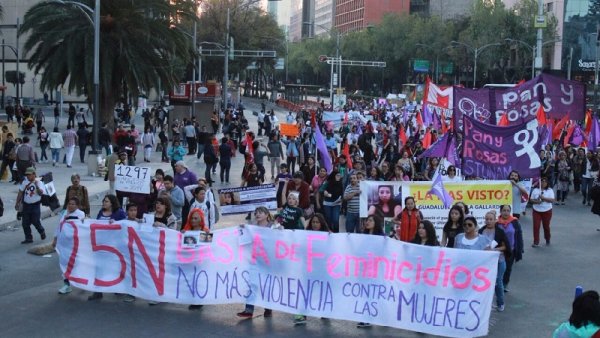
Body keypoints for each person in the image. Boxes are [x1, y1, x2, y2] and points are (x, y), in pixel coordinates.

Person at [236, 206, 274, 318]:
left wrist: (281, 230)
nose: (258, 214)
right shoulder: (251, 226)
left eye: (261, 212)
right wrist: (243, 229)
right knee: (251, 283)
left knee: (265, 284)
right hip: (254, 259)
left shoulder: (273, 226)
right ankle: (249, 309)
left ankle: (268, 307)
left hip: (268, 260)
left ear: (267, 215)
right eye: (256, 212)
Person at [88, 194, 126, 301]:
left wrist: (116, 223)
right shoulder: (101, 212)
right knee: (98, 267)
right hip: (100, 245)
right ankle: (97, 291)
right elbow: (96, 224)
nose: (104, 203)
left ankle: (118, 287)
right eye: (104, 201)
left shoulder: (119, 213)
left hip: (114, 246)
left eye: (107, 201)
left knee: (115, 266)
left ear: (112, 203)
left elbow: (125, 225)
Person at [52, 197, 86, 294]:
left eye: (73, 204)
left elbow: (81, 225)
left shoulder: (80, 214)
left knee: (77, 264)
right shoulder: (64, 213)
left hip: (75, 245)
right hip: (64, 244)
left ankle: (82, 281)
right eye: (69, 204)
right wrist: (55, 239)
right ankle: (66, 285)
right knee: (64, 264)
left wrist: (70, 218)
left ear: (77, 205)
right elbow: (59, 226)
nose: (70, 206)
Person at [479, 211, 511, 312]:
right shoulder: (481, 231)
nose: (488, 221)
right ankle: (487, 303)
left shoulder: (499, 232)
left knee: (498, 282)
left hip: (499, 261)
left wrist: (493, 250)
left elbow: (505, 246)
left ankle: (500, 303)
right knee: (485, 283)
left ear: (495, 220)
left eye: (490, 219)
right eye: (487, 219)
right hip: (486, 262)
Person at [15, 167, 47, 244]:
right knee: (25, 223)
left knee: (35, 221)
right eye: (27, 175)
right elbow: (20, 192)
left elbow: (41, 193)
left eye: (29, 175)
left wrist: (37, 186)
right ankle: (28, 238)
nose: (28, 176)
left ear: (34, 174)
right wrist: (17, 202)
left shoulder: (39, 182)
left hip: (35, 205)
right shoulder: (24, 182)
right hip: (26, 205)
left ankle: (41, 231)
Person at [496, 204, 524, 293]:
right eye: (504, 210)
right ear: (500, 212)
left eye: (508, 210)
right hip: (499, 250)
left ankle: (505, 284)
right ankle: (497, 283)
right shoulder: (496, 223)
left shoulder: (515, 222)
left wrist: (520, 248)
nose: (506, 212)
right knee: (498, 268)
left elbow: (519, 236)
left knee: (508, 268)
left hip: (510, 250)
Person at [530, 177, 555, 247]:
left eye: (545, 181)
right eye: (542, 181)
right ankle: (536, 241)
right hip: (536, 210)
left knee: (546, 226)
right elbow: (531, 200)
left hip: (547, 210)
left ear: (547, 183)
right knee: (536, 226)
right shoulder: (535, 190)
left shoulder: (550, 190)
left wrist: (544, 198)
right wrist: (537, 201)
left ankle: (547, 238)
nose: (543, 183)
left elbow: (552, 200)